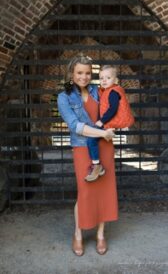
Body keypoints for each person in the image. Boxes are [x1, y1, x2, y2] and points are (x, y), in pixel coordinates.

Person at [56, 55, 118, 256]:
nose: (84, 77)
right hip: (83, 148)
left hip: (104, 146)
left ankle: (100, 234)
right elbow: (75, 126)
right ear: (71, 73)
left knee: (104, 190)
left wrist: (113, 126)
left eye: (88, 73)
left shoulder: (99, 90)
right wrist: (101, 133)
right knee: (85, 192)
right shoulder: (64, 97)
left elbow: (114, 109)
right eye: (79, 72)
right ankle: (78, 234)